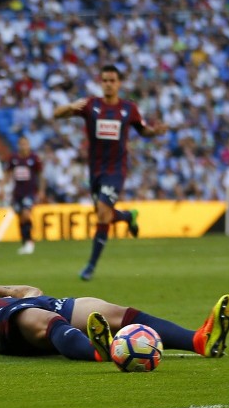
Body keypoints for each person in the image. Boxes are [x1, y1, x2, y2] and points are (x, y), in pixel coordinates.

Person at [0, 283, 229, 362]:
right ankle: (102, 352)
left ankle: (199, 340)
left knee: (107, 309)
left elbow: (30, 291)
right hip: (6, 327)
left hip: (33, 306)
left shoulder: (6, 298)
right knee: (37, 317)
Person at [53, 65, 168, 280]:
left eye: (112, 80)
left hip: (115, 170)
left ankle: (90, 266)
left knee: (103, 213)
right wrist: (70, 106)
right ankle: (127, 216)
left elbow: (143, 130)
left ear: (119, 83)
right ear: (101, 82)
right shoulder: (91, 105)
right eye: (104, 80)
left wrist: (155, 132)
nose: (108, 83)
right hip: (95, 171)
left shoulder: (128, 109)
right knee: (103, 215)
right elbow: (56, 114)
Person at [3, 135, 43, 254]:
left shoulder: (34, 158)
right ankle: (25, 242)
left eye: (25, 143)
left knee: (26, 214)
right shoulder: (14, 158)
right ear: (18, 145)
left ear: (29, 145)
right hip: (17, 193)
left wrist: (41, 190)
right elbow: (7, 173)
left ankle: (30, 242)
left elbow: (40, 175)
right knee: (20, 218)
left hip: (30, 192)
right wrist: (2, 188)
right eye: (21, 144)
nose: (23, 146)